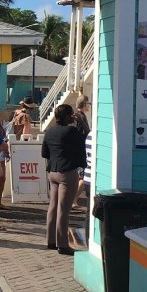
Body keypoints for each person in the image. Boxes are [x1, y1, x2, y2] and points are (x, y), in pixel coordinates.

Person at [42, 104, 87, 255]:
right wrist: (82, 123)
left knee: (53, 206)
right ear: (68, 116)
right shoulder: (72, 131)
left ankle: (51, 240)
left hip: (52, 171)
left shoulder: (50, 131)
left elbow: (44, 153)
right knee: (64, 209)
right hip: (67, 172)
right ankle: (63, 244)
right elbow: (85, 139)